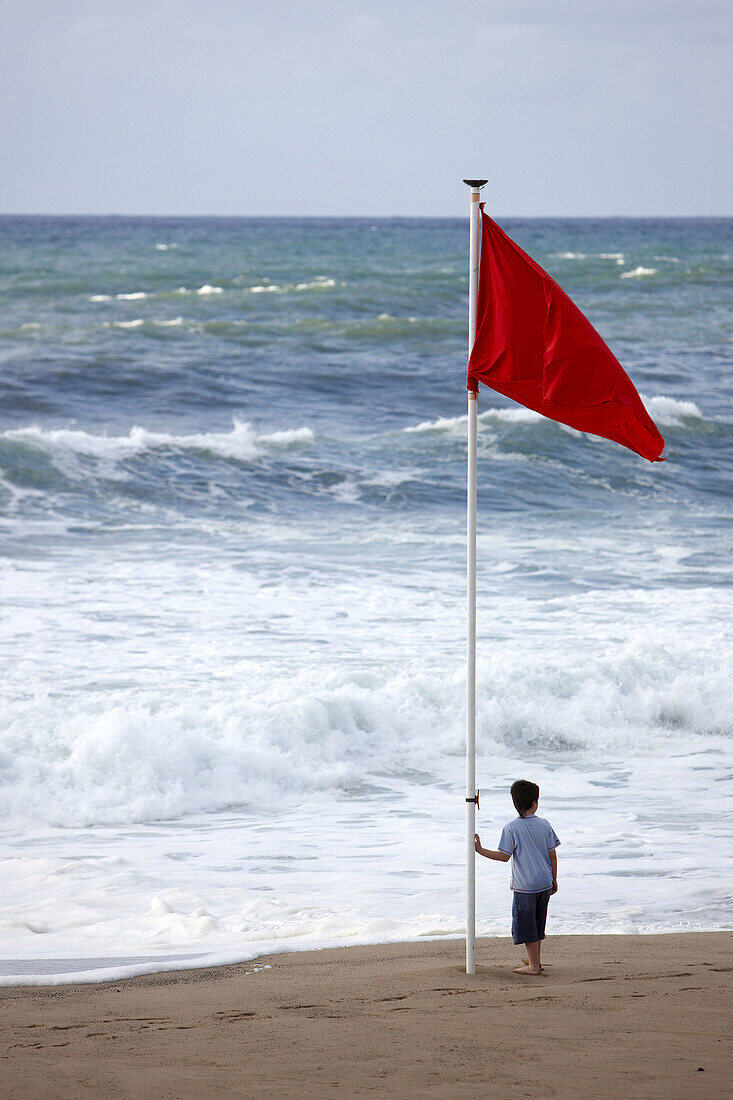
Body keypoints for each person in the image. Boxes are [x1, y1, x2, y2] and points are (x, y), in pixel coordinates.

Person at [474, 779, 560, 977]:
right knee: (538, 923)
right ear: (534, 803)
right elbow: (552, 854)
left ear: (515, 803)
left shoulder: (511, 828)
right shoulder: (544, 824)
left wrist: (480, 850)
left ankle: (533, 967)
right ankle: (535, 960)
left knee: (527, 925)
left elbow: (503, 856)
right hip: (544, 882)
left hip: (525, 886)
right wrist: (554, 878)